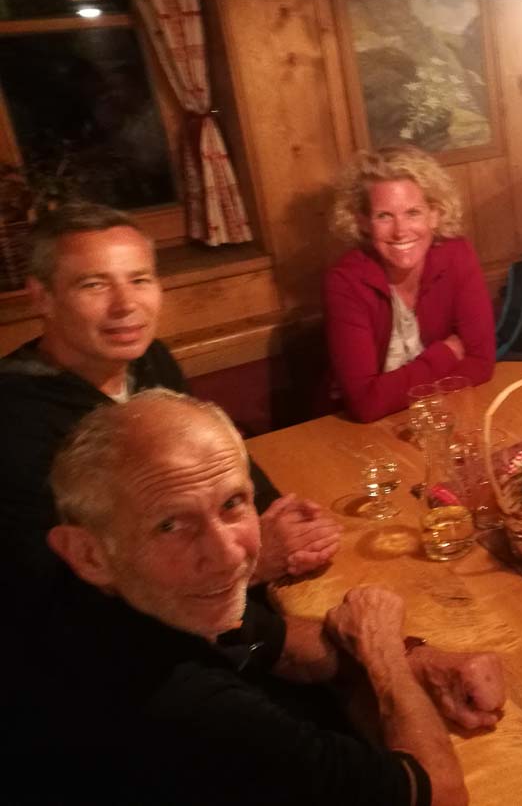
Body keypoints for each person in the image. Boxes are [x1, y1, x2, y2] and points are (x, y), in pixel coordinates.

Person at [11, 390, 503, 804]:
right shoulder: (183, 707)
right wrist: (385, 658)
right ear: (87, 553)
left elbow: (276, 642)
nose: (227, 553)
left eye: (232, 503)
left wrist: (415, 658)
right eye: (170, 525)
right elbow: (440, 794)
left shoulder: (122, 594)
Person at [0, 203, 339, 601]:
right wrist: (249, 564)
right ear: (42, 297)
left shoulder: (152, 360)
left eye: (139, 279)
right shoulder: (15, 417)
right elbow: (57, 595)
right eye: (94, 285)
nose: (126, 305)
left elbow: (214, 460)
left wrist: (281, 517)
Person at [324, 146, 495, 423]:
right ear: (363, 222)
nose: (400, 231)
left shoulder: (457, 255)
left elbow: (481, 364)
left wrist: (389, 390)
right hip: (366, 431)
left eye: (413, 212)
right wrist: (446, 353)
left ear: (434, 214)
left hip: (442, 415)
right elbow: (365, 404)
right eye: (384, 216)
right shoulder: (346, 281)